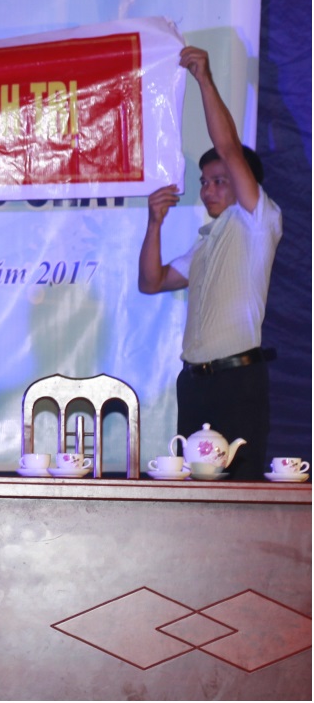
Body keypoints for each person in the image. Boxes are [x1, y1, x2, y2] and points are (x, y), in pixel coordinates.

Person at [139, 46, 281, 480]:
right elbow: (151, 282)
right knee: (194, 494)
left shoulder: (258, 219)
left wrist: (203, 79)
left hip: (237, 381)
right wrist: (154, 224)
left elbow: (228, 147)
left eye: (220, 181)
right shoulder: (204, 244)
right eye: (204, 182)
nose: (207, 190)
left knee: (239, 492)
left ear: (243, 182)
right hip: (195, 383)